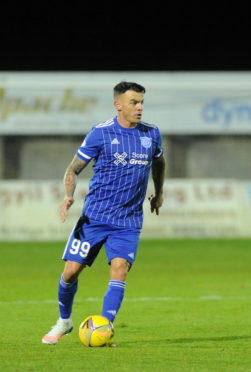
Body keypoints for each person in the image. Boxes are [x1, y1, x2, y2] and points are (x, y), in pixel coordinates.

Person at [41, 81, 165, 345]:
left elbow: (159, 161)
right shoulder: (101, 133)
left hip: (128, 221)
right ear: (118, 104)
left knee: (119, 269)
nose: (140, 107)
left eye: (142, 102)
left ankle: (105, 328)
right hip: (94, 218)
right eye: (134, 102)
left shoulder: (151, 134)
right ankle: (64, 321)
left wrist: (160, 191)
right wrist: (68, 196)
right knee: (71, 273)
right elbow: (74, 169)